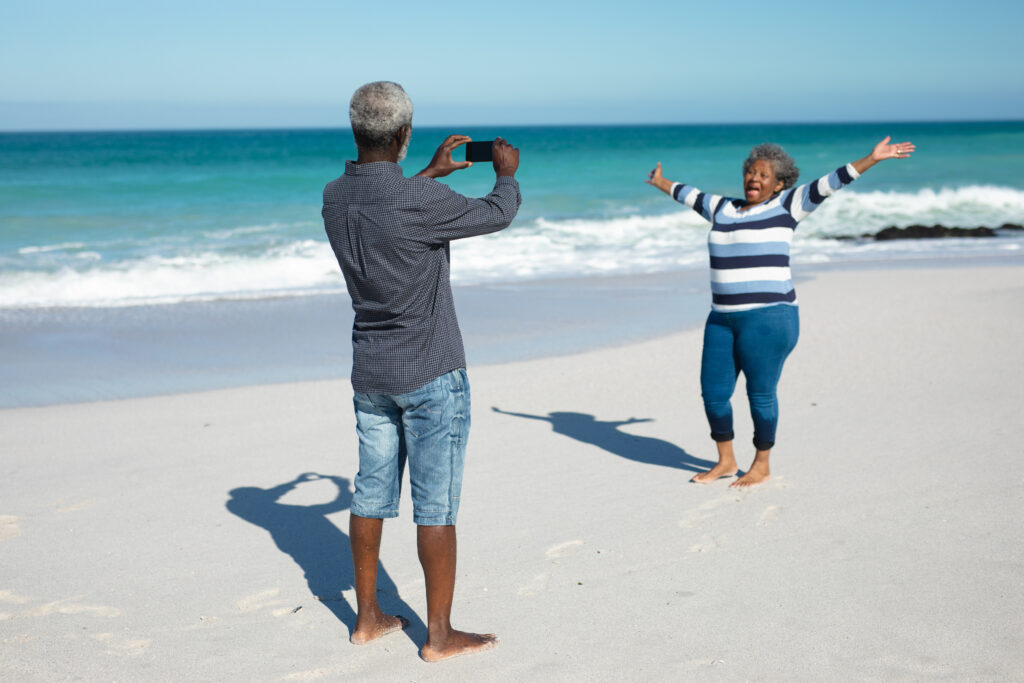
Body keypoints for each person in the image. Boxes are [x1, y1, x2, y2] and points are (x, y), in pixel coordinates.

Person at [321, 81, 521, 661]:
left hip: (371, 371)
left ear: (356, 132)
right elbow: (497, 213)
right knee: (435, 506)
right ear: (405, 136)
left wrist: (430, 174)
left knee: (370, 494)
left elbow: (387, 205)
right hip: (431, 369)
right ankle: (438, 635)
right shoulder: (416, 202)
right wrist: (504, 172)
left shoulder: (335, 196)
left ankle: (367, 619)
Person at [646, 136, 914, 487]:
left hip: (769, 318)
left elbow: (831, 182)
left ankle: (761, 464)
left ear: (778, 184)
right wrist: (662, 182)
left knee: (760, 393)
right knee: (713, 394)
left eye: (763, 174)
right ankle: (726, 460)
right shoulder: (722, 208)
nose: (754, 178)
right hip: (721, 319)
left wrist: (872, 159)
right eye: (750, 172)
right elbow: (689, 194)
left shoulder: (789, 205)